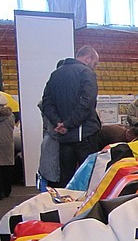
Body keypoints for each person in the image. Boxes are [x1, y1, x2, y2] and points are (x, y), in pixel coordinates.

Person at [41, 45, 102, 187]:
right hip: (85, 135)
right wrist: (68, 124)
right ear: (88, 58)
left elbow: (46, 103)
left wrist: (58, 123)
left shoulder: (55, 74)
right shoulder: (86, 73)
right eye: (95, 63)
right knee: (89, 177)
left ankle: (65, 200)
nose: (94, 67)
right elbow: (87, 103)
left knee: (66, 178)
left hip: (63, 137)